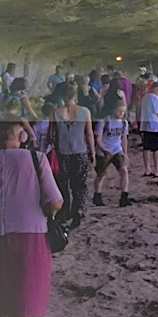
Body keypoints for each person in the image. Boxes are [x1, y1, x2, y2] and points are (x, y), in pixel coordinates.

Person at [0, 118, 63, 317]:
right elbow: (56, 201)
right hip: (30, 235)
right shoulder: (36, 159)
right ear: (21, 135)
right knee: (25, 306)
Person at [51, 85, 95, 229]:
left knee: (63, 184)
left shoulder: (56, 113)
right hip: (80, 152)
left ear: (63, 96)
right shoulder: (85, 111)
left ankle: (65, 212)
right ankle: (78, 211)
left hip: (63, 153)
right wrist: (92, 152)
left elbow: (52, 135)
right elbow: (89, 134)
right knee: (79, 184)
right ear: (75, 96)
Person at [92, 102, 130, 207]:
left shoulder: (124, 123)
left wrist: (125, 153)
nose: (121, 113)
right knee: (101, 174)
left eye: (123, 112)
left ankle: (124, 196)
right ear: (113, 110)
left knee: (124, 171)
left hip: (117, 149)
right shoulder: (104, 121)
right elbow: (98, 139)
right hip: (104, 150)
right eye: (119, 111)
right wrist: (104, 150)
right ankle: (97, 195)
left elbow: (124, 139)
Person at [139, 82, 158, 177]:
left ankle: (147, 169)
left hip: (145, 126)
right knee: (157, 149)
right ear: (157, 88)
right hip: (155, 127)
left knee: (146, 148)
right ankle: (157, 170)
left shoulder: (145, 97)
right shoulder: (156, 99)